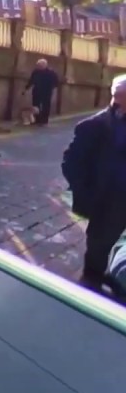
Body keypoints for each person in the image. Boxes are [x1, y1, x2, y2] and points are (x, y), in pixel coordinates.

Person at [61, 74, 126, 294]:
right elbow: (70, 163)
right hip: (109, 201)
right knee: (99, 247)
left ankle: (115, 276)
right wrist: (88, 193)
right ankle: (91, 286)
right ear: (118, 97)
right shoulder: (94, 126)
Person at [24, 58, 60, 126]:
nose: (39, 67)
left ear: (45, 65)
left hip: (47, 91)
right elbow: (31, 80)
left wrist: (51, 87)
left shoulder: (51, 73)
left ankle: (44, 120)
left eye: (40, 65)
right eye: (38, 65)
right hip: (36, 91)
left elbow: (56, 82)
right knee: (35, 106)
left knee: (46, 106)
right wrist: (27, 87)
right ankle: (37, 119)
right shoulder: (35, 72)